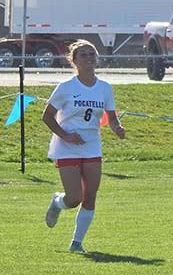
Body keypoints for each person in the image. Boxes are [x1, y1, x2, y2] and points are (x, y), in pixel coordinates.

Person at [42, 40, 126, 252]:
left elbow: (112, 118)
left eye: (92, 54)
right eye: (83, 55)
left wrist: (117, 128)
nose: (89, 57)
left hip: (92, 146)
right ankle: (58, 202)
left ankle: (77, 243)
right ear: (74, 61)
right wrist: (66, 136)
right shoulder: (66, 87)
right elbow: (47, 116)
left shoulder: (105, 88)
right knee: (74, 198)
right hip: (67, 146)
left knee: (90, 196)